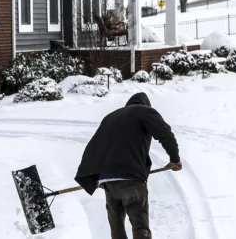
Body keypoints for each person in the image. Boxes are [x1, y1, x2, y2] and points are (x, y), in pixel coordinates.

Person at [75, 92, 182, 239]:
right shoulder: (145, 111)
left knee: (116, 229)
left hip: (107, 180)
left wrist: (93, 176)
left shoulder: (110, 117)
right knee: (140, 227)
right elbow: (165, 134)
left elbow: (94, 146)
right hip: (130, 179)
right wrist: (175, 159)